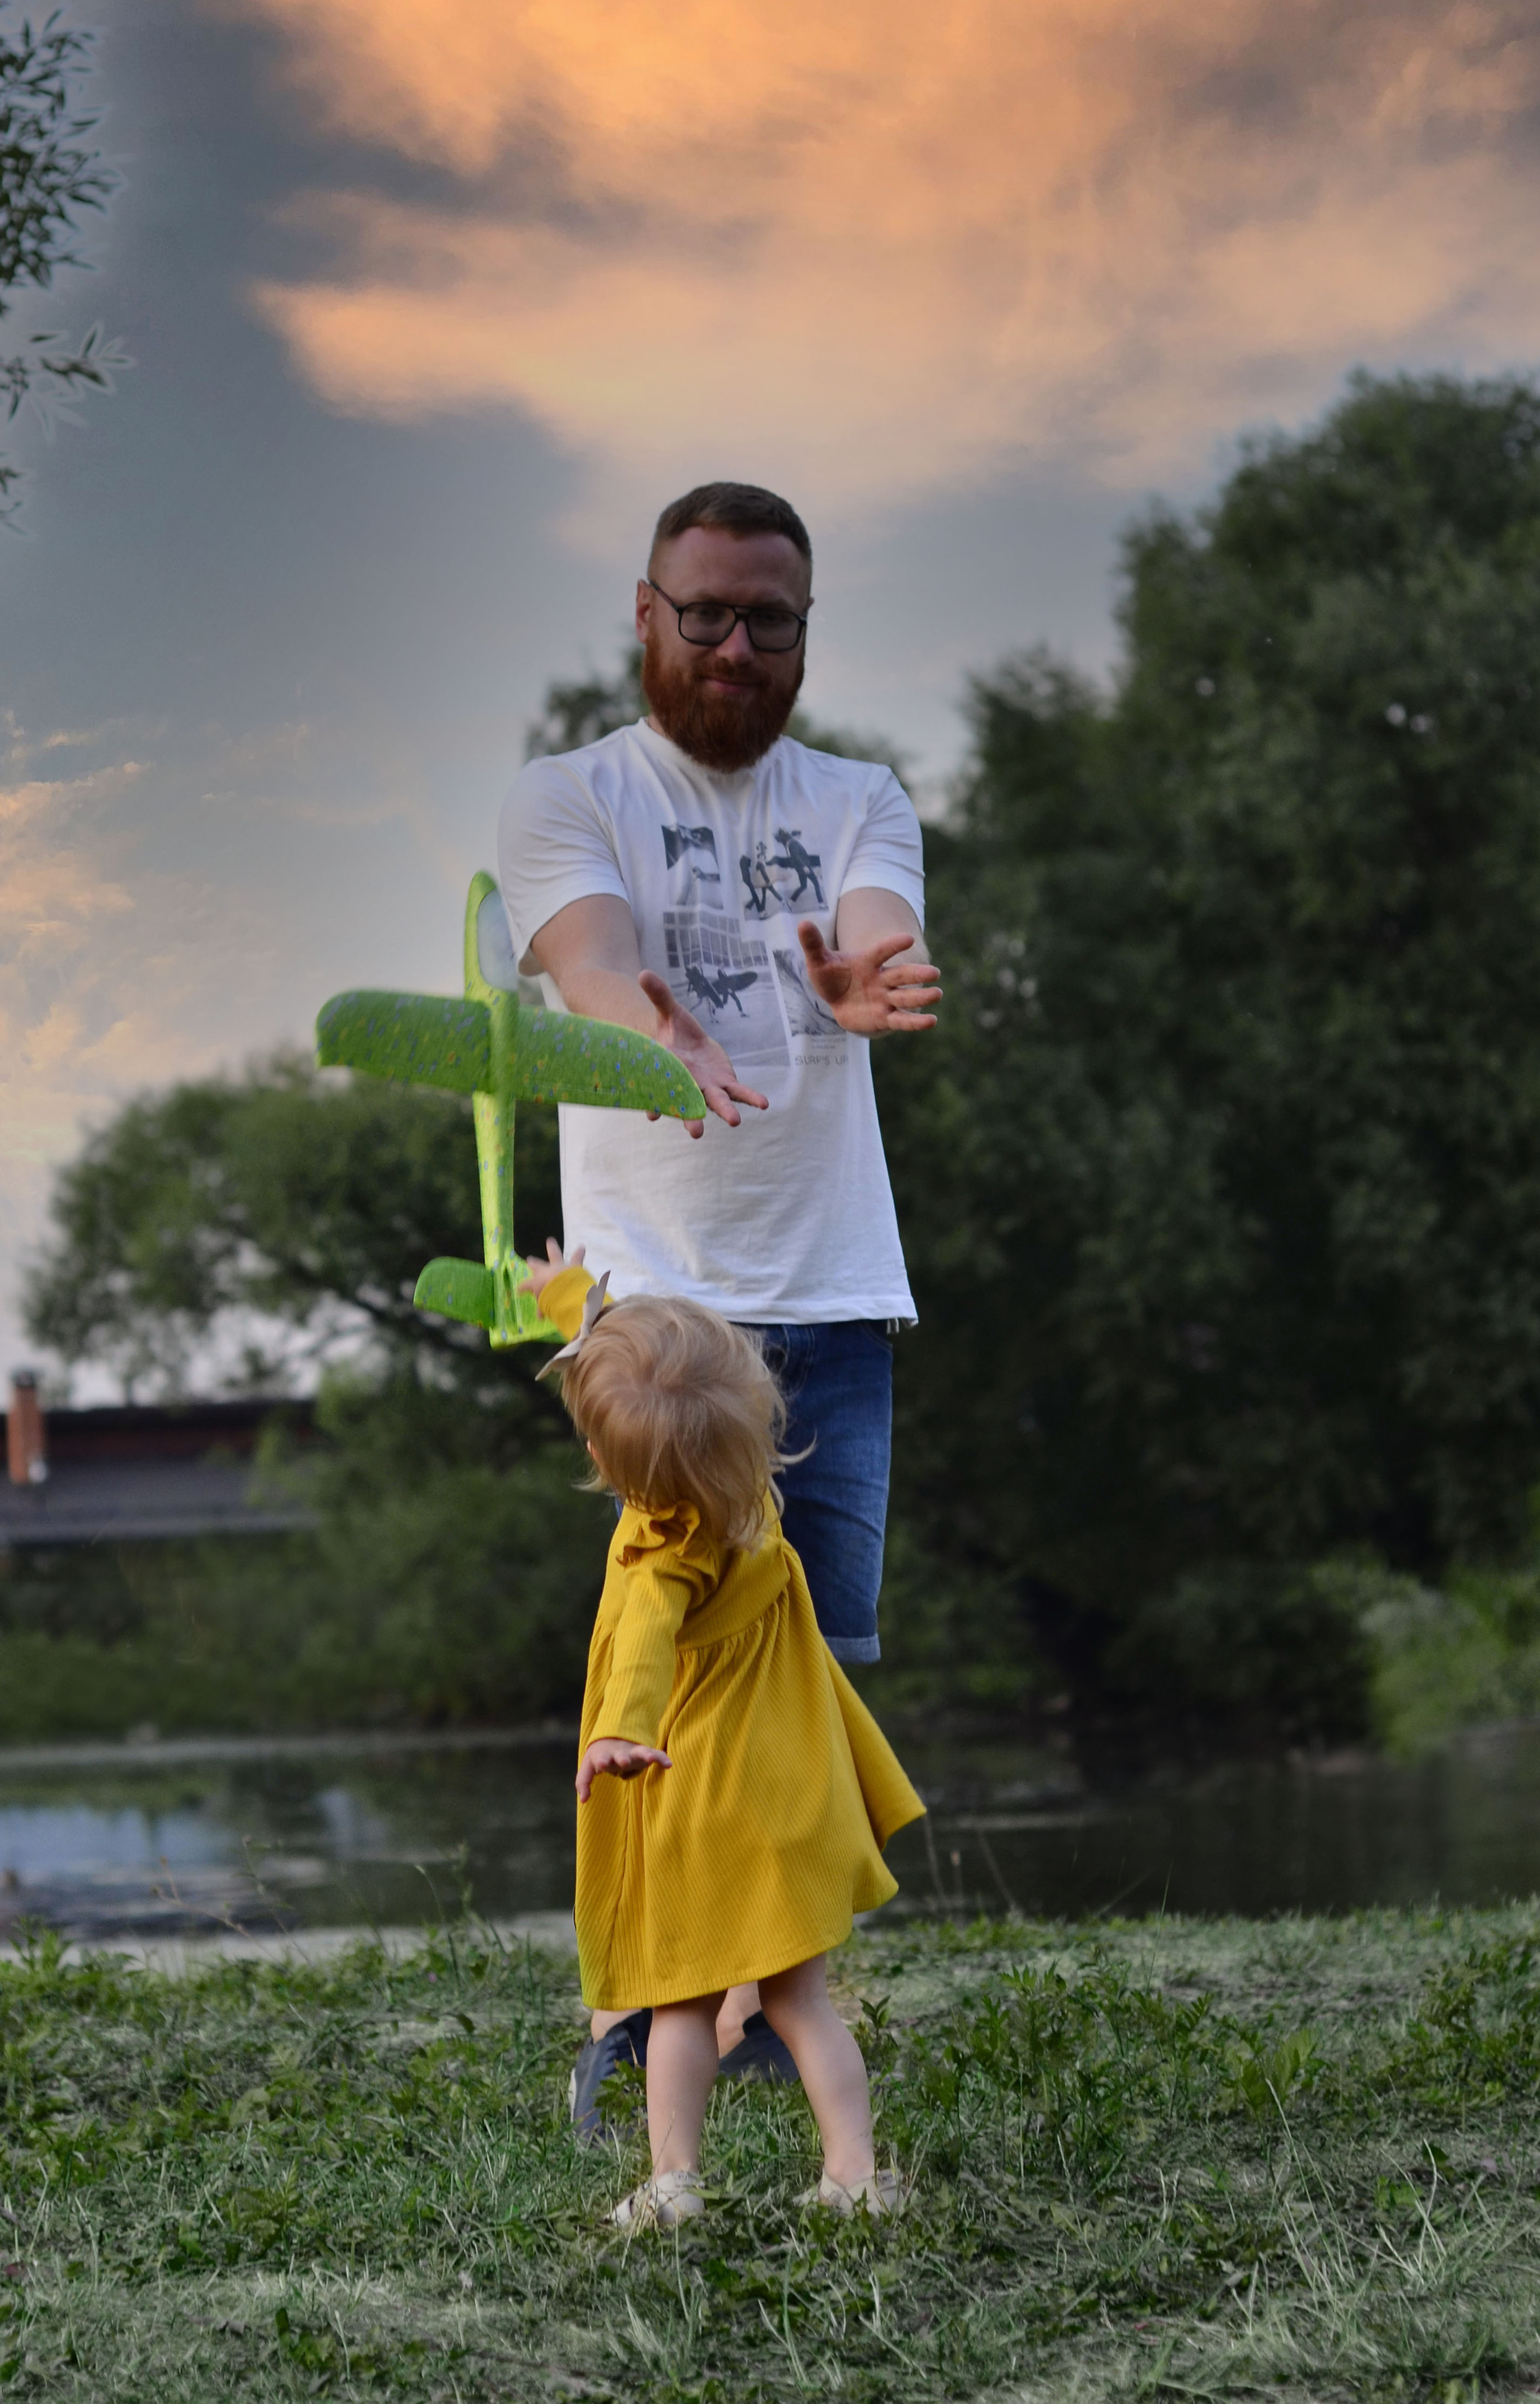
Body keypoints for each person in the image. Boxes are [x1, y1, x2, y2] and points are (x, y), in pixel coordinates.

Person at [496, 479, 939, 2102]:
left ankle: (759, 2008)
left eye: (769, 620)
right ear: (646, 614)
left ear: (804, 632)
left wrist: (865, 974)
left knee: (813, 1661)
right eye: (705, 616)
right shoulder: (567, 794)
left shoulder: (859, 796)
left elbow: (877, 921)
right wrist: (645, 1028)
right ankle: (642, 2005)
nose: (735, 646)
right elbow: (587, 955)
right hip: (658, 1314)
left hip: (829, 1289)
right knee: (665, 1649)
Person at [527, 1242, 926, 2230]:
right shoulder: (755, 1500)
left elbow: (642, 1653)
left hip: (706, 1805)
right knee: (802, 2004)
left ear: (607, 1468)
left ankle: (674, 2182)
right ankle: (854, 2176)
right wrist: (573, 1304)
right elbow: (650, 1381)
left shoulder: (658, 1548)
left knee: (682, 2009)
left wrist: (616, 1733)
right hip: (789, 1791)